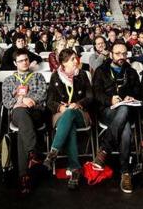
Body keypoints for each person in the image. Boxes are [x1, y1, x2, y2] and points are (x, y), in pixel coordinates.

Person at [91, 40, 140, 194]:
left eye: (124, 53)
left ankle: (104, 150)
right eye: (118, 53)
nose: (121, 56)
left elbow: (138, 91)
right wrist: (110, 100)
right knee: (124, 124)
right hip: (107, 110)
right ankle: (125, 172)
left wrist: (131, 96)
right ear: (110, 54)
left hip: (126, 110)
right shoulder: (101, 70)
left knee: (125, 119)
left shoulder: (131, 72)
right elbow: (96, 94)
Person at [43, 49, 93, 190]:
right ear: (64, 64)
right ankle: (75, 169)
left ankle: (53, 153)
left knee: (71, 114)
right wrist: (60, 107)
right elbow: (50, 101)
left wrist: (78, 104)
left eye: (75, 58)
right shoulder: (55, 77)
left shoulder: (82, 75)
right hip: (61, 114)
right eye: (72, 59)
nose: (76, 61)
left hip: (80, 113)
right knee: (68, 120)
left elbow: (90, 97)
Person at [1, 48, 48, 195]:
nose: (25, 63)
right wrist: (18, 101)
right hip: (17, 112)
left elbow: (43, 94)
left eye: (26, 60)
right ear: (15, 63)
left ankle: (23, 175)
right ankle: (32, 154)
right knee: (21, 113)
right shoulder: (9, 80)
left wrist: (30, 99)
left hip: (35, 112)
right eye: (21, 61)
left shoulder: (38, 76)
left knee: (22, 128)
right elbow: (6, 101)